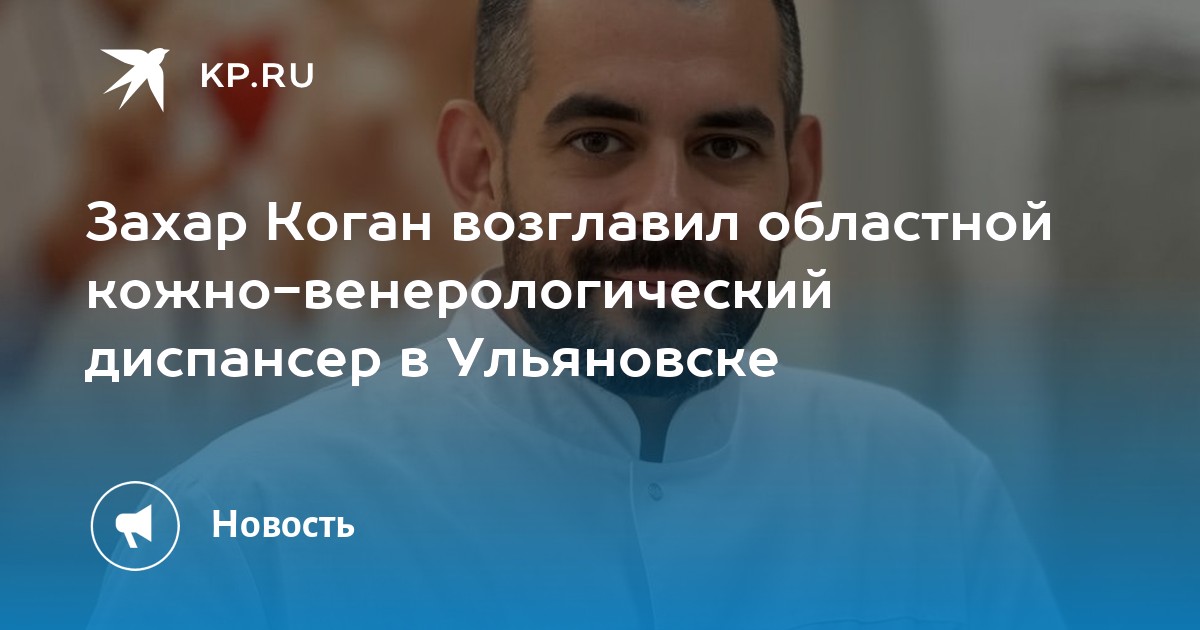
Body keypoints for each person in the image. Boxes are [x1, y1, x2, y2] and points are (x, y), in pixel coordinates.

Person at [89, 1, 1064, 628]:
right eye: (600, 142)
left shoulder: (929, 502)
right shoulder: (236, 543)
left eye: (724, 148)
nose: (666, 212)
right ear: (478, 168)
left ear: (800, 175)